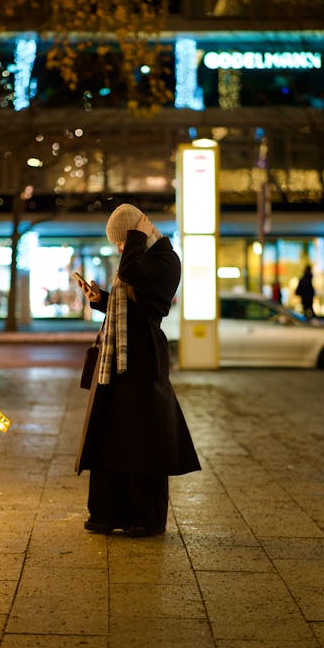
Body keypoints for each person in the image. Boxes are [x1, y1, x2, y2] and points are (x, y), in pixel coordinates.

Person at [75, 203, 201, 538]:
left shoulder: (165, 259)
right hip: (119, 357)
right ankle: (109, 512)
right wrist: (100, 298)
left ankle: (145, 516)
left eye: (121, 241)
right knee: (113, 435)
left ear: (136, 234)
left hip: (143, 357)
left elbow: (137, 282)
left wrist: (133, 240)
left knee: (143, 438)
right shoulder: (142, 257)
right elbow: (130, 303)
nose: (119, 249)